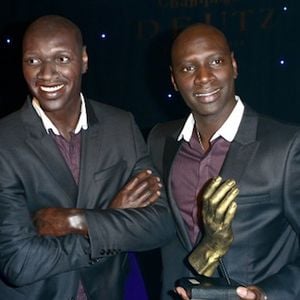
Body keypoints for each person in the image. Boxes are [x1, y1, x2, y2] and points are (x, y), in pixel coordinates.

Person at [0, 15, 175, 300]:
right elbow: (20, 264)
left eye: (61, 58)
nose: (46, 74)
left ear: (83, 59)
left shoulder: (120, 125)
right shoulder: (4, 142)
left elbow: (161, 223)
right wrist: (112, 218)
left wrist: (76, 222)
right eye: (33, 60)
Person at [148, 23, 300, 300]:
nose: (203, 77)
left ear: (234, 65)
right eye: (188, 68)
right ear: (173, 80)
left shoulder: (287, 146)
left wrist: (267, 293)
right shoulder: (160, 140)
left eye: (215, 62)